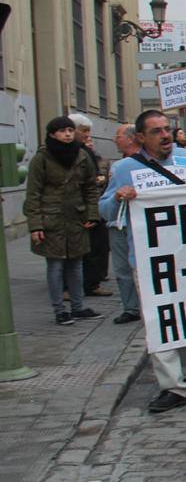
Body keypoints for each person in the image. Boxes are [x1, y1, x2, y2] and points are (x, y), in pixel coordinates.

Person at [100, 110, 186, 413]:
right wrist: (117, 198)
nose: (165, 136)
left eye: (167, 129)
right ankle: (172, 385)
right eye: (156, 131)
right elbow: (105, 212)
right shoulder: (124, 168)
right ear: (140, 138)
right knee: (159, 320)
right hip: (149, 258)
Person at [25, 116, 101, 325]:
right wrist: (35, 225)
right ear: (52, 134)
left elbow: (90, 188)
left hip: (76, 218)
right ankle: (59, 310)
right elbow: (33, 194)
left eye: (70, 129)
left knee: (76, 264)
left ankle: (78, 307)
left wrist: (92, 214)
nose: (67, 134)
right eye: (62, 130)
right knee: (56, 266)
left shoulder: (82, 155)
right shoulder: (41, 158)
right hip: (51, 220)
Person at [70, 113, 113, 296]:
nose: (88, 135)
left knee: (97, 246)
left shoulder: (85, 152)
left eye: (89, 131)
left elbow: (90, 184)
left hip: (90, 205)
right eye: (84, 131)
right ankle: (74, 286)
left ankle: (92, 283)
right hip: (75, 209)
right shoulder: (71, 152)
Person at [107, 125, 143, 325]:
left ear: (131, 139)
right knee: (123, 268)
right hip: (119, 224)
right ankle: (131, 307)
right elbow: (105, 203)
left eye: (118, 136)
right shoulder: (118, 167)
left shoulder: (149, 164)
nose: (115, 139)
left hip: (143, 226)